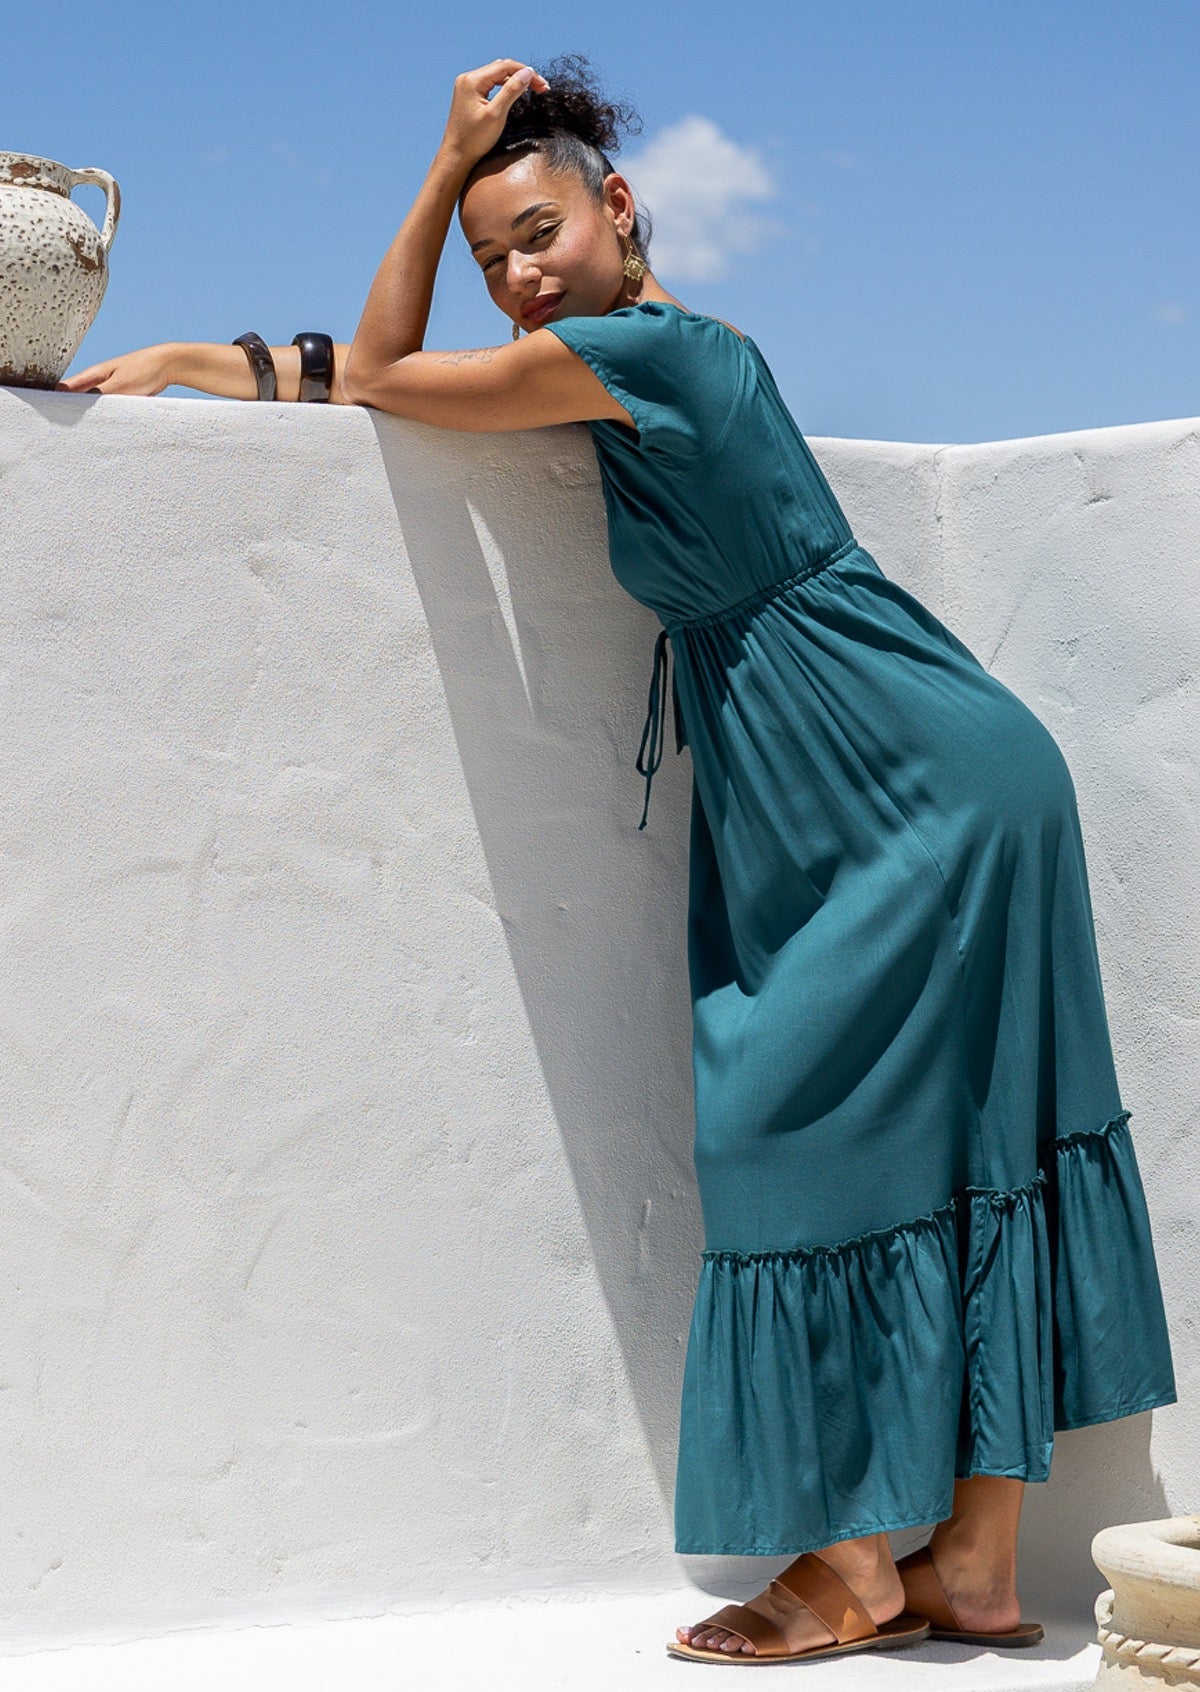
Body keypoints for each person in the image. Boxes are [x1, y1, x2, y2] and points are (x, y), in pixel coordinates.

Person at [61, 51, 1178, 1669]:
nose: (519, 275)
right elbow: (387, 376)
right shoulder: (625, 357)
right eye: (492, 255)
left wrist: (436, 170)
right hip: (895, 769)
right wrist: (190, 357)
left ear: (621, 208)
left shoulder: (635, 350)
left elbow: (387, 370)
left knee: (788, 1128)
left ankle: (851, 1573)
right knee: (971, 1146)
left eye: (538, 235)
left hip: (906, 777)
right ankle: (975, 1568)